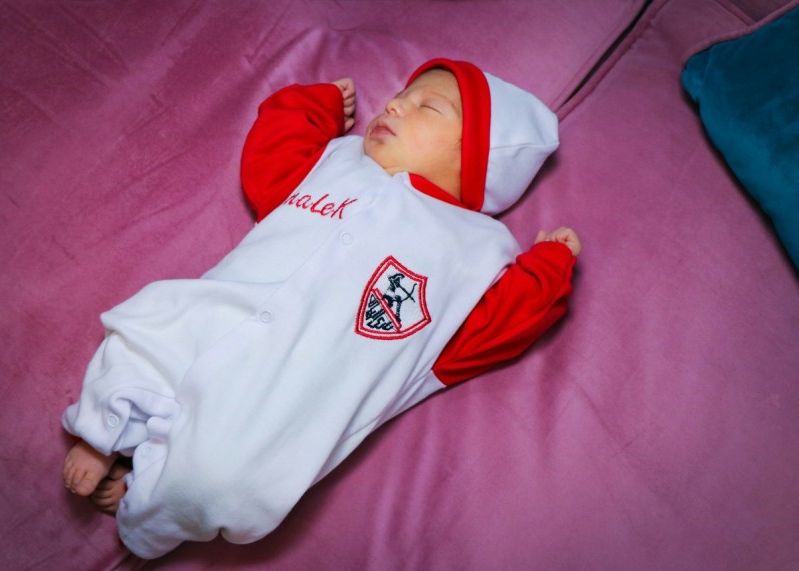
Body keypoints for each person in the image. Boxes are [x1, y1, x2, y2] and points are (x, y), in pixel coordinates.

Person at [62, 58, 581, 558]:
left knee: (225, 481)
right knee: (145, 331)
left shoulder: (471, 249)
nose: (396, 106)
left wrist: (548, 272)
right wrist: (317, 107)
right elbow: (272, 157)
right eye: (401, 95)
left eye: (428, 107)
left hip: (282, 400)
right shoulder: (338, 164)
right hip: (217, 313)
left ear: (481, 160)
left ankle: (151, 508)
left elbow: (491, 328)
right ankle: (100, 429)